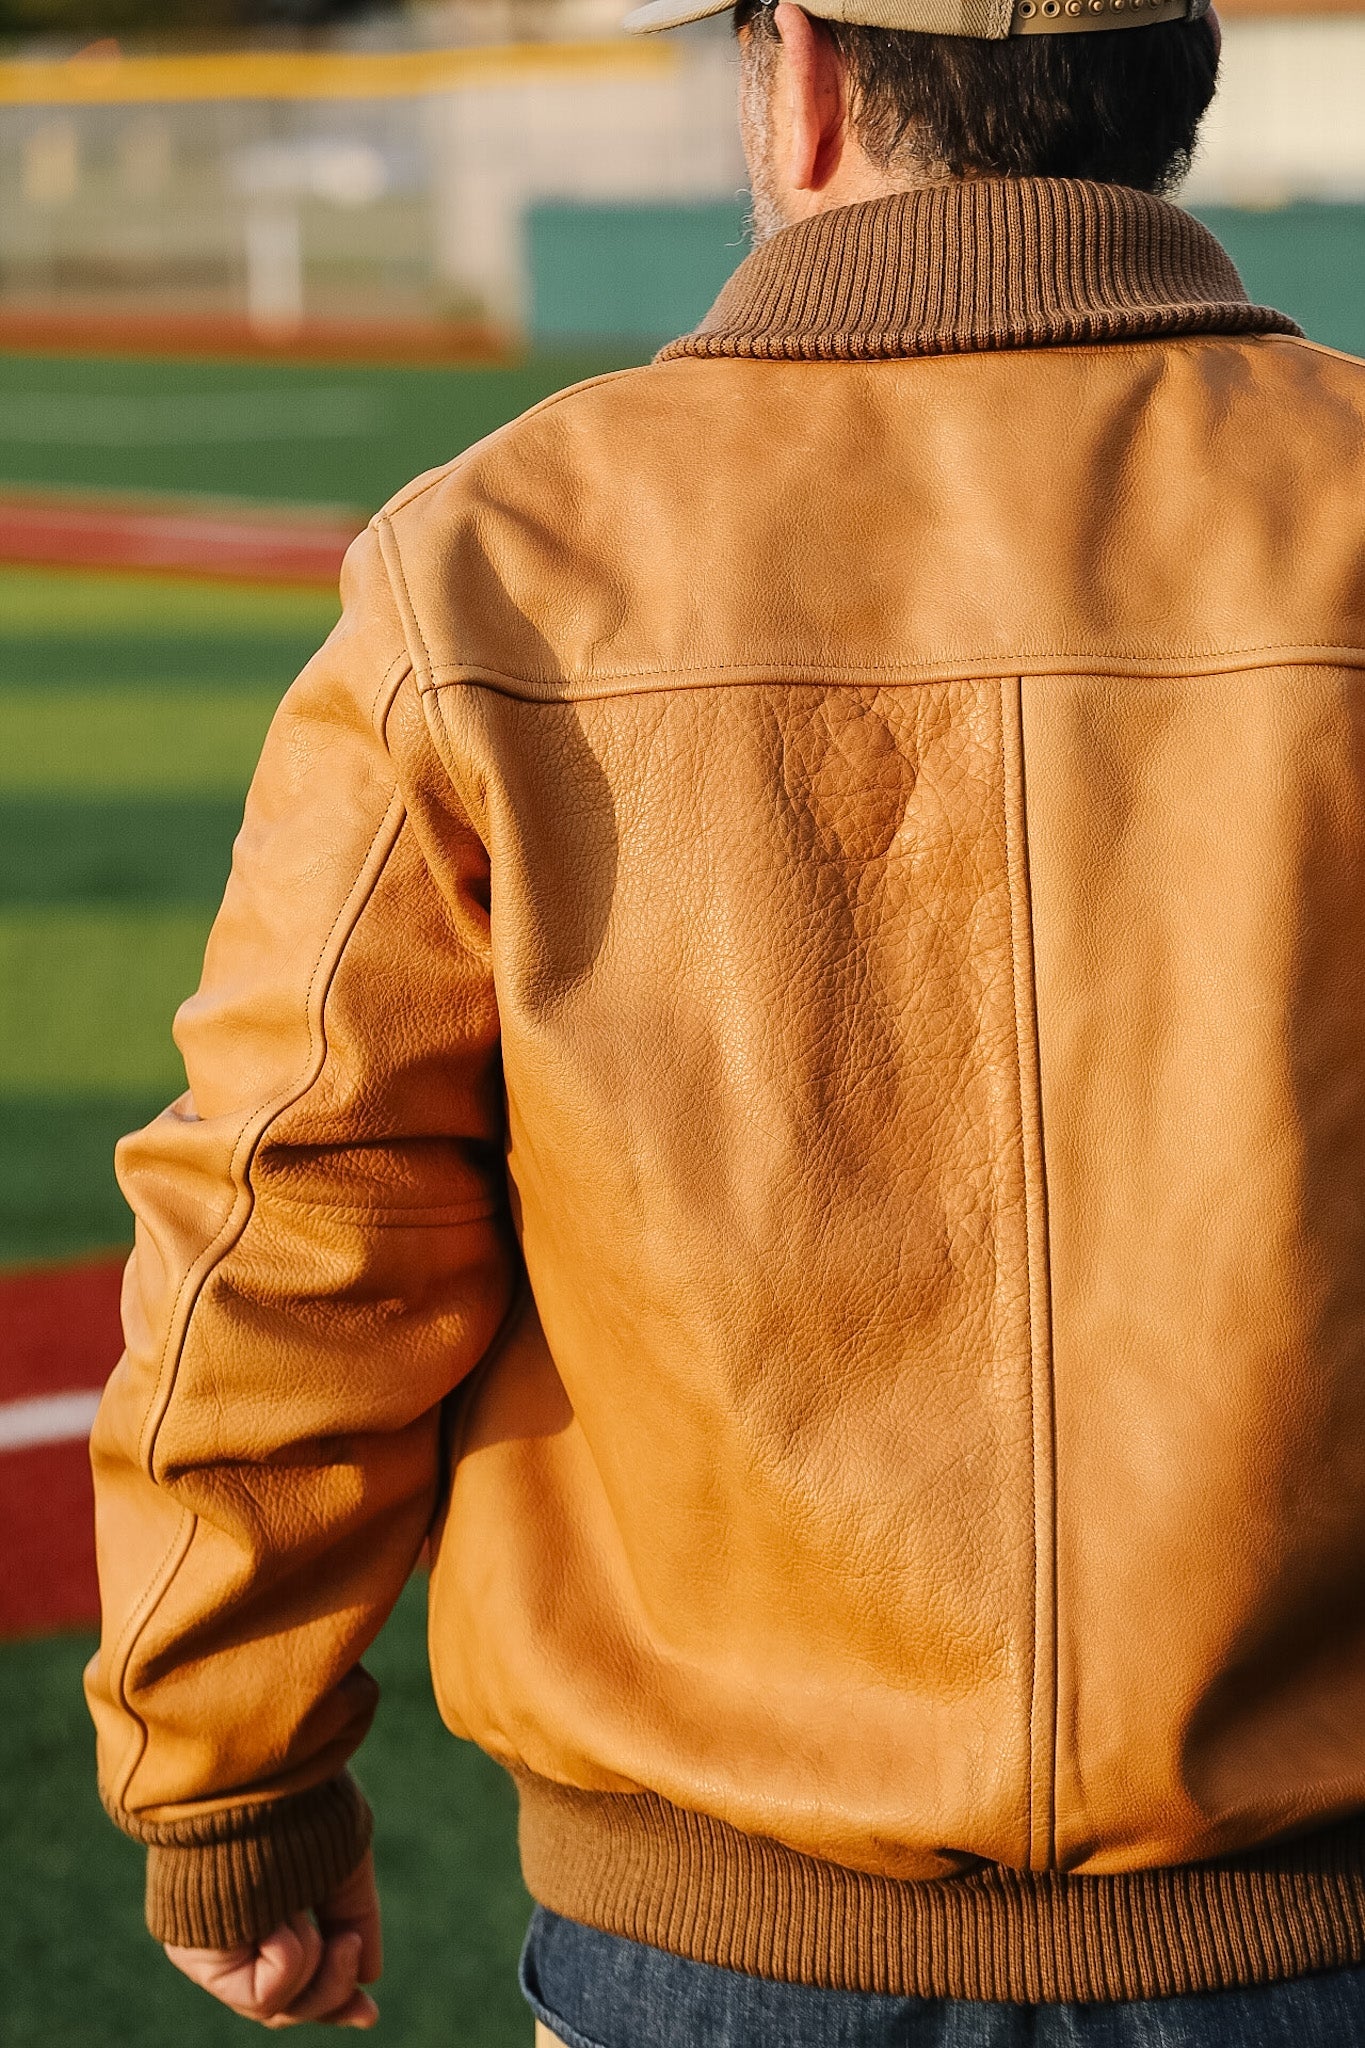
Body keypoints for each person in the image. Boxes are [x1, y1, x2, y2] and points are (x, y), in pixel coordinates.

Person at [86, 0, 1365, 2039]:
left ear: (805, 83)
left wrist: (225, 1771)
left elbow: (281, 1225)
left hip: (711, 1948)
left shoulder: (495, 560)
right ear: (1172, 91)